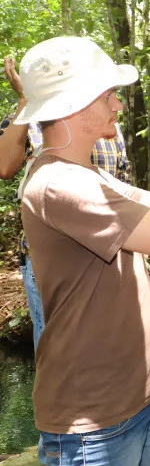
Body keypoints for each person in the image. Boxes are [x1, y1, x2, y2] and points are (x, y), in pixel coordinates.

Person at [16, 36, 150, 466]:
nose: (118, 104)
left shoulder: (86, 173)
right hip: (94, 419)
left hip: (137, 400)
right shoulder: (60, 185)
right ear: (75, 103)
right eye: (108, 94)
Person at [1, 57, 132, 351]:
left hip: (105, 251)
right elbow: (5, 166)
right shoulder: (33, 120)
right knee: (58, 349)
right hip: (50, 258)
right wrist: (25, 99)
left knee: (105, 347)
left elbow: (125, 187)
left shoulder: (112, 128)